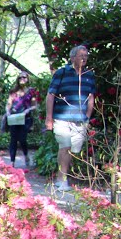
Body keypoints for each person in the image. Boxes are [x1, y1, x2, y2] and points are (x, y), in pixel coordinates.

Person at [45, 45, 96, 191]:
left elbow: (91, 96)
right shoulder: (62, 73)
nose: (84, 58)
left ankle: (62, 174)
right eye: (81, 55)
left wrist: (87, 117)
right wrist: (49, 118)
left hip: (80, 120)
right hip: (62, 118)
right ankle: (62, 180)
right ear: (72, 57)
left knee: (74, 150)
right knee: (65, 146)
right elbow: (50, 95)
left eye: (86, 56)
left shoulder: (89, 75)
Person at [6, 72, 38, 168]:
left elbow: (34, 105)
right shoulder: (13, 91)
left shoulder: (31, 91)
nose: (22, 79)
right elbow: (8, 104)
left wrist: (28, 110)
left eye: (24, 77)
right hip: (14, 118)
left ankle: (26, 155)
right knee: (13, 139)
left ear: (27, 79)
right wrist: (7, 112)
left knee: (22, 139)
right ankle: (12, 161)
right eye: (20, 77)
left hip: (25, 118)